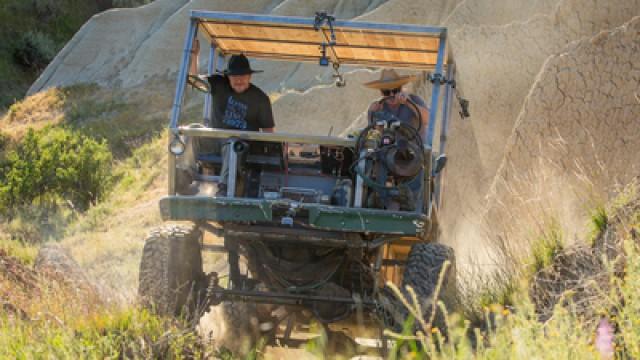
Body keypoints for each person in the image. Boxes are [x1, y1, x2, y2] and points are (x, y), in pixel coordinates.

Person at [188, 40, 275, 196]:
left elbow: (268, 131)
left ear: (250, 76)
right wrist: (194, 56)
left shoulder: (260, 98)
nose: (239, 79)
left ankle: (224, 190)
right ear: (228, 76)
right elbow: (194, 81)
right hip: (216, 140)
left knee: (233, 143)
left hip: (242, 147)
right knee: (192, 130)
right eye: (234, 76)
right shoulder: (218, 83)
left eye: (243, 76)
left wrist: (266, 154)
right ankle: (185, 177)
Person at [364, 69, 429, 138]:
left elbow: (428, 120)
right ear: (381, 93)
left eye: (395, 90)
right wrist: (371, 113)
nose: (392, 95)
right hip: (389, 147)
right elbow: (373, 134)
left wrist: (409, 103)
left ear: (401, 89)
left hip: (413, 146)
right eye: (387, 92)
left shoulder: (414, 100)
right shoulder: (378, 106)